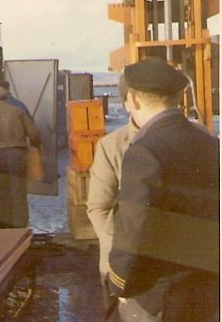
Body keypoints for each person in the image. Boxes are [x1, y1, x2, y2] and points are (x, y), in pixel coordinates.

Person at [107, 57, 219, 322]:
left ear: (133, 100)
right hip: (207, 289)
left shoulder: (145, 149)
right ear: (178, 97)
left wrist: (119, 283)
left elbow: (134, 227)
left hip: (158, 295)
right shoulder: (209, 143)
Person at [86, 75, 139, 321]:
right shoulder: (113, 145)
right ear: (131, 102)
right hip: (123, 264)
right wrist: (114, 246)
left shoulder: (199, 139)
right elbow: (98, 208)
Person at [0, 85, 41, 228]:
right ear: (6, 98)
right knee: (18, 192)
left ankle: (0, 226)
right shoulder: (18, 111)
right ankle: (19, 227)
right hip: (18, 156)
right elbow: (34, 134)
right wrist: (36, 147)